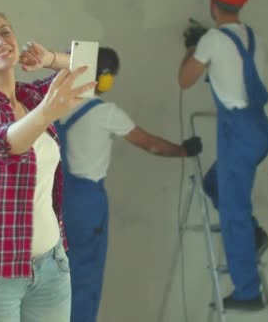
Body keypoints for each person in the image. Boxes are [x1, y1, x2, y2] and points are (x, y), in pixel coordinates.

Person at [20, 43, 202, 321]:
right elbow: (150, 144)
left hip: (51, 199)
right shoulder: (105, 112)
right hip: (86, 203)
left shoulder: (53, 107)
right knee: (84, 276)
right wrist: (184, 150)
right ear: (104, 77)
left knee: (52, 275)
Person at [0, 8, 97, 322]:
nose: (0, 41)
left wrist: (51, 60)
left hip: (50, 267)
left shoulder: (30, 97)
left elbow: (90, 68)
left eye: (5, 32)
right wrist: (45, 112)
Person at [178, 0, 268, 311]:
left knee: (234, 213)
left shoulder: (213, 40)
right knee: (214, 183)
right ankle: (254, 235)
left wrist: (193, 47)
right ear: (241, 4)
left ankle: (248, 291)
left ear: (212, 4)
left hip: (238, 131)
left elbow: (184, 79)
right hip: (259, 129)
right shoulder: (254, 38)